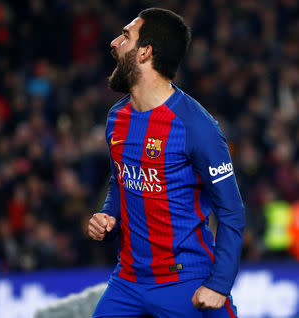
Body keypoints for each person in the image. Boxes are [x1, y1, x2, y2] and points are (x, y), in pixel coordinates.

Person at [88, 8, 245, 318]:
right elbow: (121, 180)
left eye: (125, 36)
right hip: (128, 281)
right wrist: (108, 214)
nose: (114, 42)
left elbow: (231, 211)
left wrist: (219, 284)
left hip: (185, 280)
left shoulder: (196, 127)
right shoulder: (116, 119)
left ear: (145, 53)